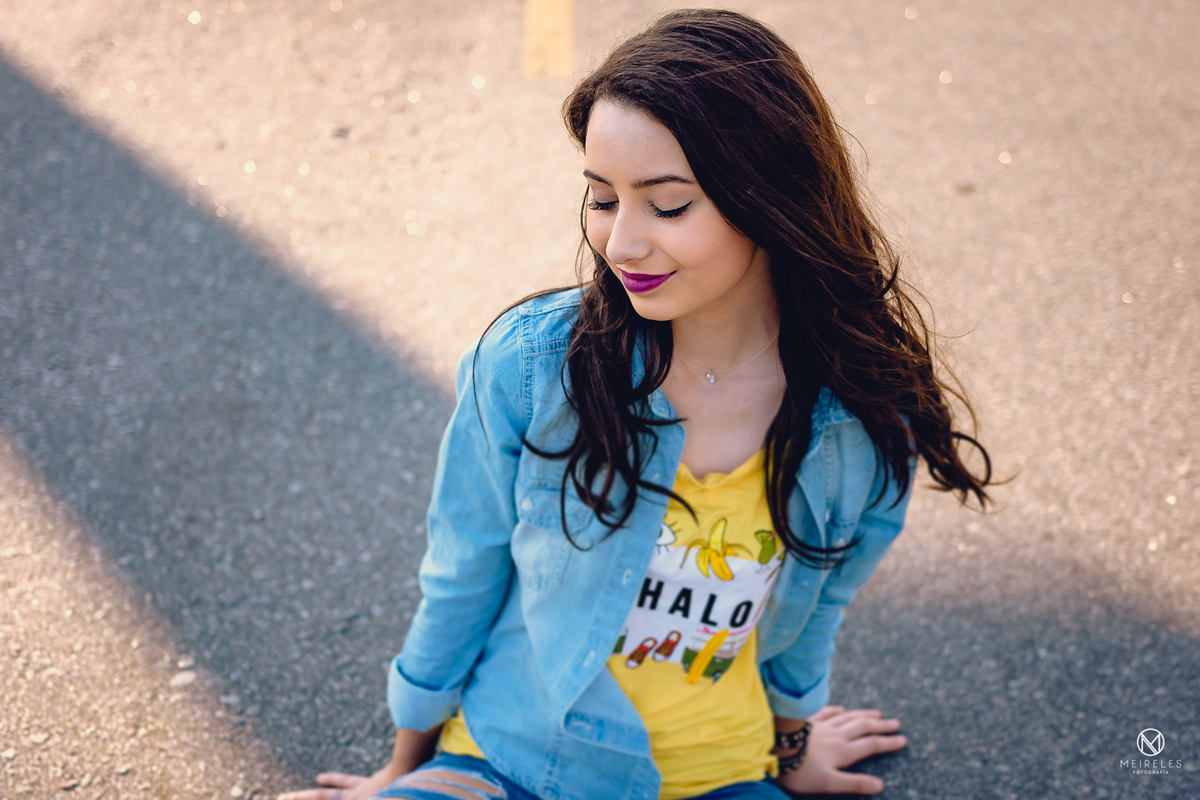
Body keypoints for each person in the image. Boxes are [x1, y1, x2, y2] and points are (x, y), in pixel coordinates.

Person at [279, 9, 991, 800]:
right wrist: (405, 771)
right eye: (602, 198)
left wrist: (792, 758)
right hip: (509, 763)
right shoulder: (532, 366)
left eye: (668, 205)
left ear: (769, 197)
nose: (619, 244)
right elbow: (462, 569)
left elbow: (812, 613)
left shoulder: (859, 421)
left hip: (716, 779)